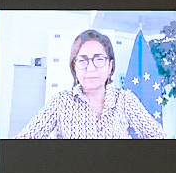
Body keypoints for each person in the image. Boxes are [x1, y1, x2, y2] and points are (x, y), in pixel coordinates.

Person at [14, 30, 165, 140]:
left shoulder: (125, 100)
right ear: (74, 67)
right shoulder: (60, 102)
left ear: (110, 66)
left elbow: (158, 137)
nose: (91, 68)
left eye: (99, 59)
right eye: (82, 60)